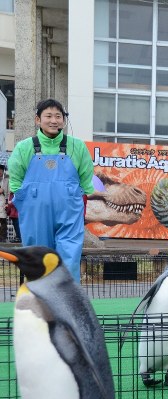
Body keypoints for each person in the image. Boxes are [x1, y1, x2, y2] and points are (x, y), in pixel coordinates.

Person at [6, 98, 94, 281]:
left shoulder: (77, 146)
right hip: (35, 212)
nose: (54, 120)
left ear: (63, 120)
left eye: (58, 116)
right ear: (38, 119)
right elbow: (15, 182)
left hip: (69, 212)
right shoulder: (24, 147)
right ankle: (40, 304)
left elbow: (86, 179)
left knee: (69, 258)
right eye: (48, 116)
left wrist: (79, 199)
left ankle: (68, 303)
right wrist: (25, 201)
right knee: (39, 259)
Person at [0, 169, 7, 242]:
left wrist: (3, 190)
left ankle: (3, 237)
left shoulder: (6, 180)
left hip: (3, 202)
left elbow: (9, 191)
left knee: (3, 220)